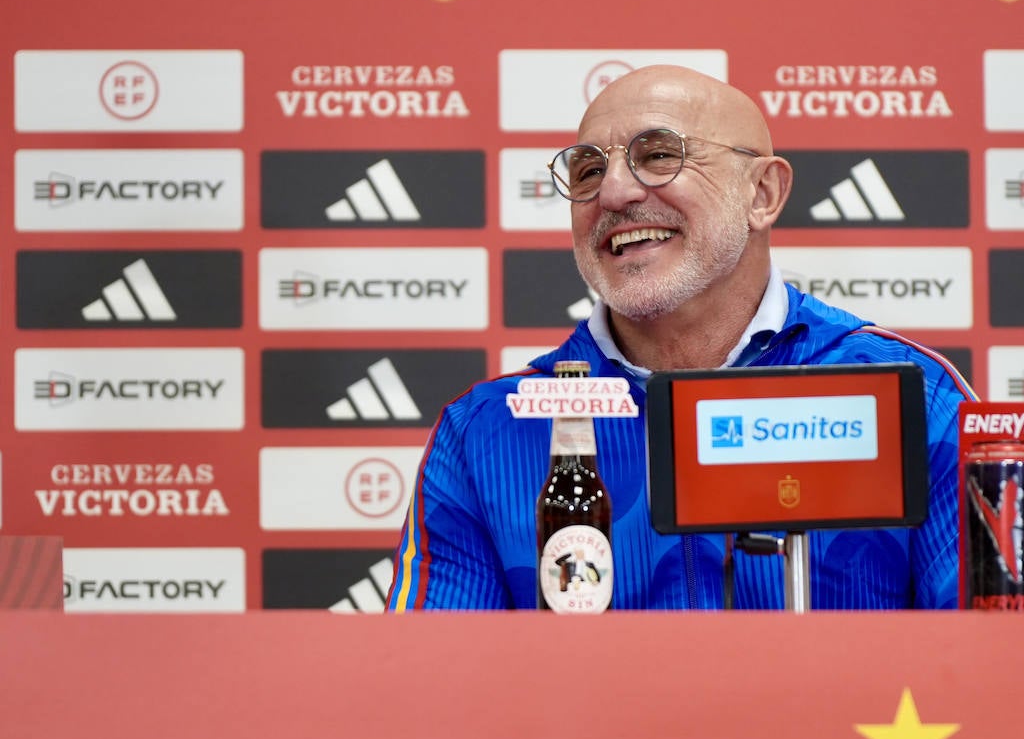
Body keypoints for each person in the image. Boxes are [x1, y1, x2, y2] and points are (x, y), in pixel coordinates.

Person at [386, 65, 976, 611]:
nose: (613, 194)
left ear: (762, 194)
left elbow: (1003, 668)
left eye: (660, 155)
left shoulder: (911, 397)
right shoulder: (486, 430)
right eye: (589, 170)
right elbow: (433, 687)